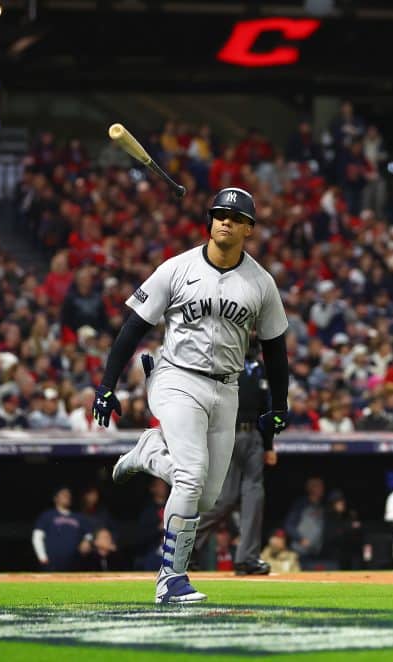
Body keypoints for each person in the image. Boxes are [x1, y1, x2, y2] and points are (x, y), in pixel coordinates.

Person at [95, 187, 290, 604]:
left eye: (235, 218)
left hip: (227, 387)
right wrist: (106, 385)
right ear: (210, 219)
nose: (225, 222)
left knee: (206, 495)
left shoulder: (260, 282)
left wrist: (280, 403)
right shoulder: (177, 268)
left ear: (249, 229)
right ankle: (171, 579)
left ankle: (150, 454)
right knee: (191, 473)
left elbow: (275, 347)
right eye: (219, 214)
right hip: (176, 377)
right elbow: (133, 327)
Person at [194, 350, 276, 576]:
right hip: (225, 433)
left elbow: (266, 407)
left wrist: (268, 445)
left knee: (253, 497)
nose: (252, 333)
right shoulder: (221, 361)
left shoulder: (259, 368)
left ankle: (246, 559)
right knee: (224, 499)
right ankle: (186, 545)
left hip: (253, 436)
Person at [31, 486, 93, 572]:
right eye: (64, 494)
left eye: (68, 495)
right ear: (56, 498)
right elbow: (37, 537)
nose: (67, 496)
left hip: (74, 564)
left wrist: (87, 541)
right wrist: (42, 557)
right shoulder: (47, 516)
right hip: (51, 564)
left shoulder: (79, 517)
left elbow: (90, 533)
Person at [284, 476, 327, 567]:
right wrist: (300, 539)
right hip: (300, 552)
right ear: (311, 488)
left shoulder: (322, 506)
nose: (322, 489)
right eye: (318, 486)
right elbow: (289, 525)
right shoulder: (301, 504)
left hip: (316, 552)